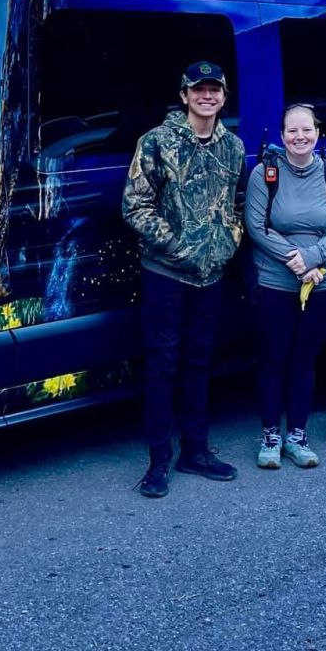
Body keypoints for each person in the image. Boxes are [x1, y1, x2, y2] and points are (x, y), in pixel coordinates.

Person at [123, 61, 246, 498]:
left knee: (199, 363)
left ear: (224, 98)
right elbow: (135, 206)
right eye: (199, 90)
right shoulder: (157, 143)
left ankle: (195, 451)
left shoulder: (233, 147)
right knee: (161, 366)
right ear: (184, 95)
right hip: (166, 274)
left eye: (214, 90)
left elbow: (233, 204)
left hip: (210, 277)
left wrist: (228, 241)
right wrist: (181, 249)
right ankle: (158, 462)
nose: (206, 96)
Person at [245, 103, 326, 469]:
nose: (299, 136)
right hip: (276, 281)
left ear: (318, 133)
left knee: (305, 359)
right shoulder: (266, 174)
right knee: (274, 358)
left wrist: (312, 258)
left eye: (306, 129)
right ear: (281, 136)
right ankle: (271, 435)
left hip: (324, 283)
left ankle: (297, 436)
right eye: (292, 130)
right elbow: (256, 227)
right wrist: (295, 258)